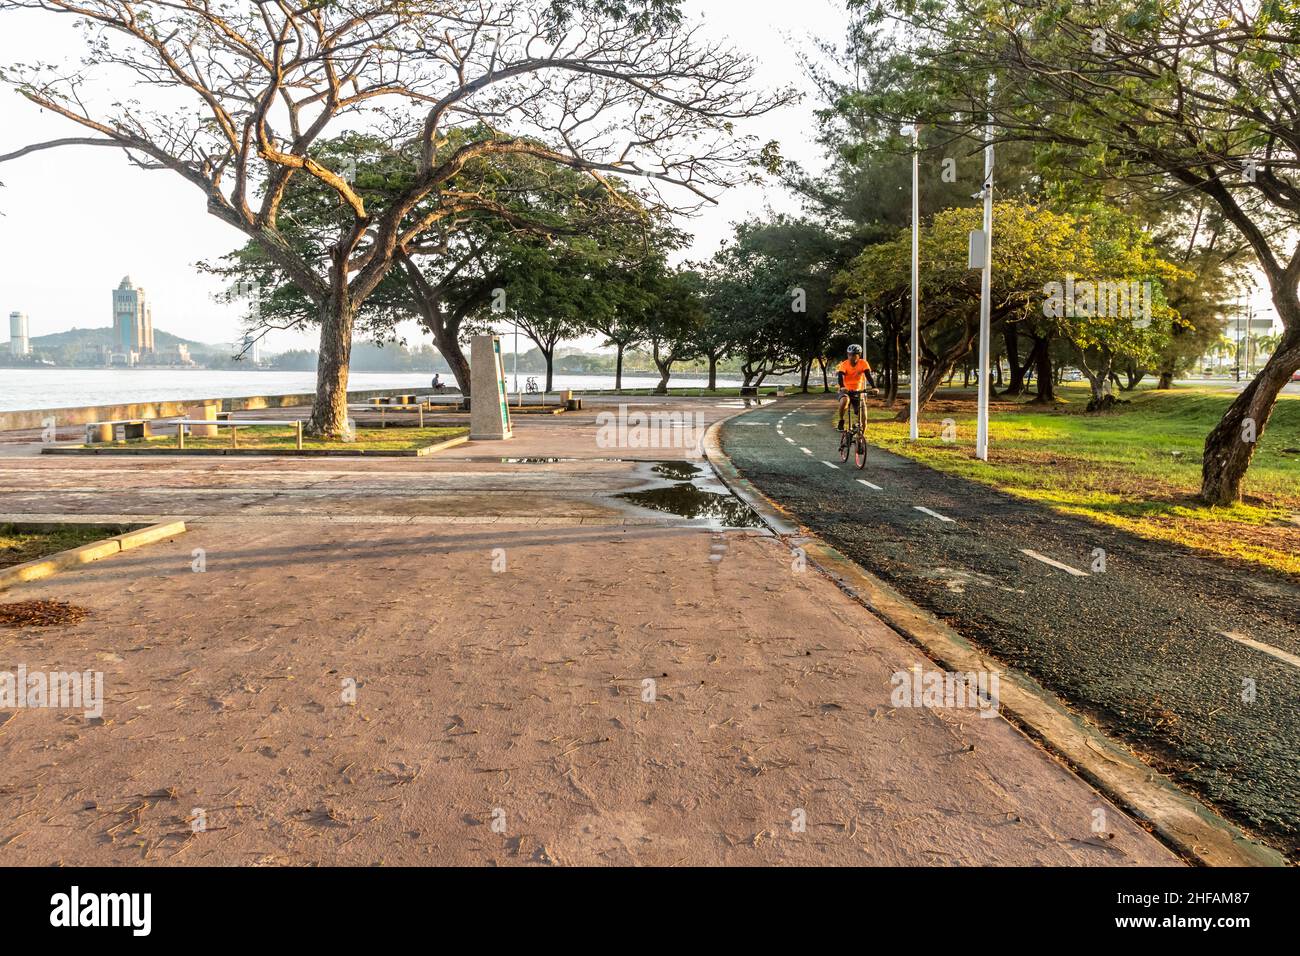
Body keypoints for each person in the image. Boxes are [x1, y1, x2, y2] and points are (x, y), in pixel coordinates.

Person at [836, 344, 877, 431]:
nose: (851, 357)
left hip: (858, 392)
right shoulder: (844, 364)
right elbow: (840, 376)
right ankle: (841, 420)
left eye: (854, 355)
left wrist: (874, 387)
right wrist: (842, 387)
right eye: (849, 354)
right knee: (845, 400)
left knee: (864, 416)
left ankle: (861, 439)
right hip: (846, 391)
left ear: (859, 355)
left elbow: (868, 375)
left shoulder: (863, 363)